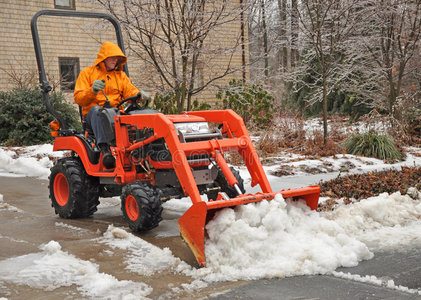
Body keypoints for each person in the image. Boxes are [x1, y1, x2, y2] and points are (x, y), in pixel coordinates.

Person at [74, 41, 148, 169]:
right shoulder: (87, 73)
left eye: (117, 58)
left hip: (115, 114)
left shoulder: (120, 76)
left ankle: (144, 150)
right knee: (99, 111)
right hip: (93, 117)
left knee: (138, 112)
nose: (115, 60)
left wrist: (139, 95)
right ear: (104, 58)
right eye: (112, 57)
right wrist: (92, 90)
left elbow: (130, 90)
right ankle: (105, 149)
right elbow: (79, 98)